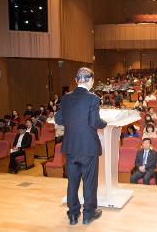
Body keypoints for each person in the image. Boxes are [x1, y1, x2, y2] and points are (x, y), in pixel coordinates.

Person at [55, 67, 107, 225]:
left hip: (71, 147)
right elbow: (95, 122)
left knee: (73, 182)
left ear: (76, 80)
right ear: (90, 80)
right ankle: (88, 214)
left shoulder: (66, 98)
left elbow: (59, 119)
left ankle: (72, 214)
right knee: (89, 182)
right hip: (88, 148)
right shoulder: (93, 98)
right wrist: (105, 123)